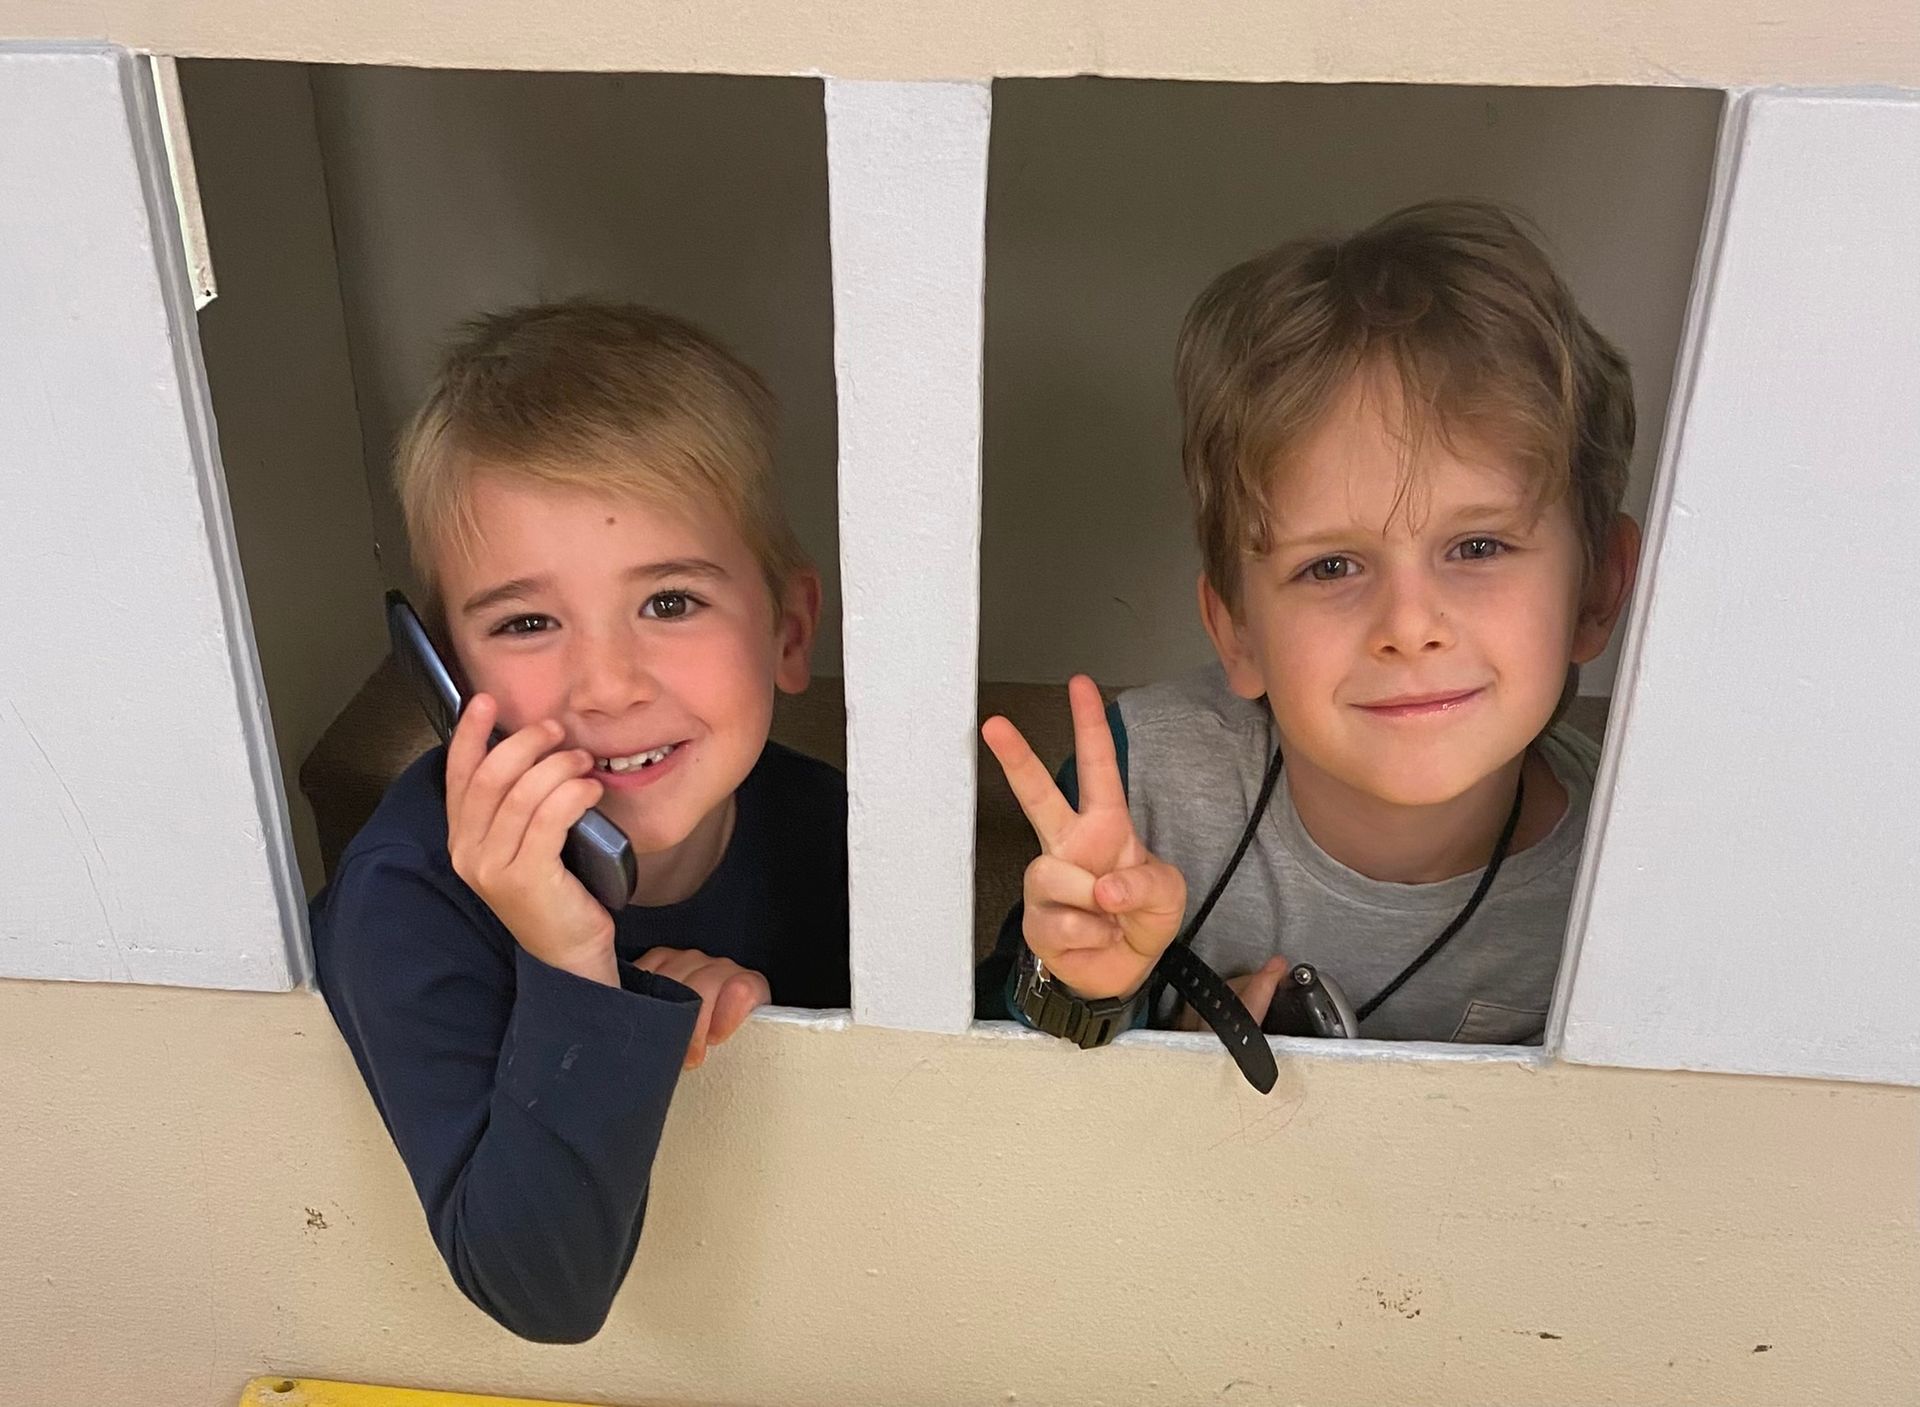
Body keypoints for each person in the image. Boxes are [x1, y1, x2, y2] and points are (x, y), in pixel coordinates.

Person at [979, 201, 1641, 1048]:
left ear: (1599, 588)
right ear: (1237, 632)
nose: (1408, 626)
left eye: (1478, 545)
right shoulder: (1145, 784)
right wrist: (1087, 989)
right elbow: (991, 1063)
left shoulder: (1632, 874)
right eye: (1331, 565)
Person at [310, 301, 848, 1341]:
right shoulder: (407, 894)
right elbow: (541, 1292)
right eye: (527, 623)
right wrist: (572, 963)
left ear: (787, 633)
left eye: (669, 603)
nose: (605, 687)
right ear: (448, 681)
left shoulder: (820, 822)